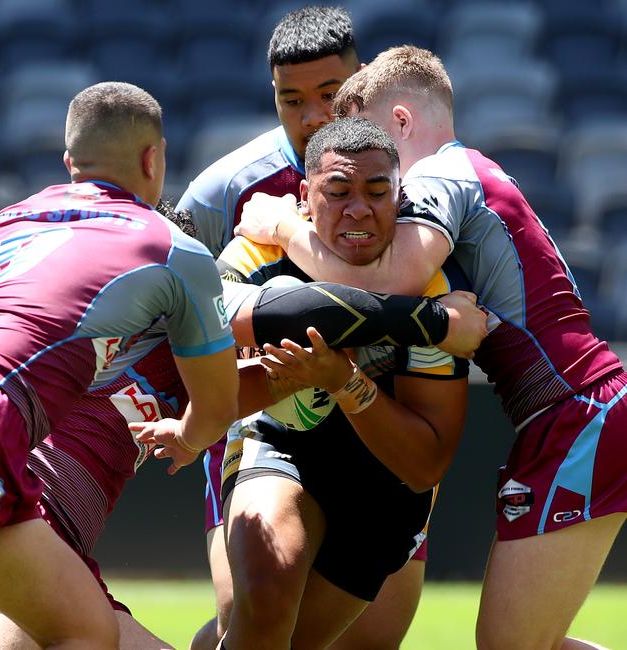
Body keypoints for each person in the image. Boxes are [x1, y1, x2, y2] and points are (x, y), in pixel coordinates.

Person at [235, 45, 627, 650]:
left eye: (376, 142)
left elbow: (381, 285)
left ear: (398, 121)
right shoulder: (474, 170)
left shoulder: (444, 172)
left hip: (575, 411)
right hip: (580, 407)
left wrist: (286, 227)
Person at [0, 197, 485, 650]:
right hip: (14, 526)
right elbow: (304, 310)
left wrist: (319, 375)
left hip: (57, 549)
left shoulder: (191, 356)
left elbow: (272, 369)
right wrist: (436, 322)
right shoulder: (82, 324)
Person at [176, 6, 431, 649]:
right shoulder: (223, 191)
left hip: (383, 433)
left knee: (367, 639)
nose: (315, 113)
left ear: (364, 77)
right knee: (252, 609)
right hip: (266, 419)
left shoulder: (417, 173)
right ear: (274, 98)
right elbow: (189, 306)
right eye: (294, 100)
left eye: (330, 93)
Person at [0, 81, 240, 648]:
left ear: (70, 163)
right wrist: (189, 438)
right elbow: (219, 405)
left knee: (88, 628)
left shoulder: (0, 224)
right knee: (79, 632)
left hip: (4, 453)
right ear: (154, 158)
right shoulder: (171, 248)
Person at [201, 116, 474, 650]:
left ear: (401, 197)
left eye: (378, 192)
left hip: (386, 490)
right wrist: (292, 378)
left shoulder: (434, 282)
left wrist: (343, 381)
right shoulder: (255, 256)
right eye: (338, 191)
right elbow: (209, 386)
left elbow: (424, 465)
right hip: (279, 445)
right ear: (304, 195)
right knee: (263, 596)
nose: (359, 210)